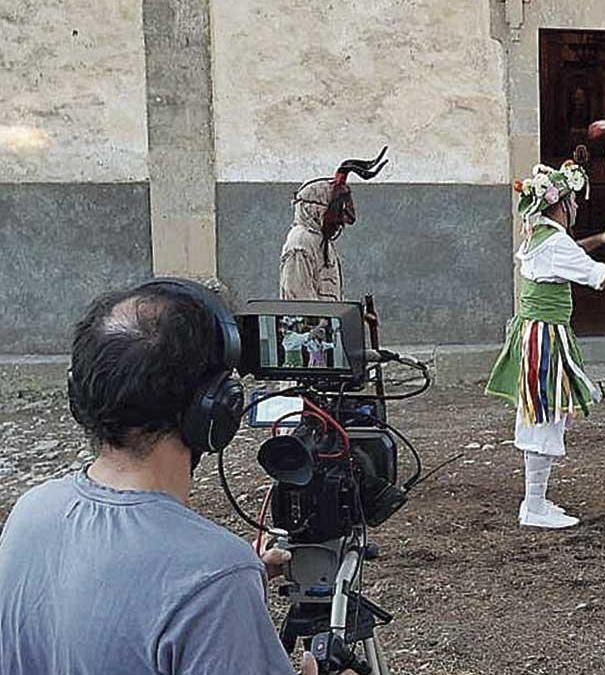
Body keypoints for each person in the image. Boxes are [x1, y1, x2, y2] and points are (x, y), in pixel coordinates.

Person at [0, 280, 337, 674]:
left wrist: (213, 591)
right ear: (216, 408)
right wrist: (215, 588)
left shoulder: (32, 512)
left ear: (80, 394)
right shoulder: (214, 577)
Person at [486, 158, 605, 529]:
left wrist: (598, 239)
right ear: (561, 204)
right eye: (574, 201)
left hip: (537, 332)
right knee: (545, 415)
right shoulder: (554, 242)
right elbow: (600, 276)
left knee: (544, 414)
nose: (578, 206)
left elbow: (567, 251)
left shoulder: (540, 233)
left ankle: (538, 501)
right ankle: (533, 506)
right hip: (544, 337)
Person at [280, 148, 388, 301]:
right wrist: (327, 324)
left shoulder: (321, 243)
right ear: (317, 209)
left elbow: (332, 302)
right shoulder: (301, 243)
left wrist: (359, 318)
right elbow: (301, 305)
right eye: (336, 212)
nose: (339, 222)